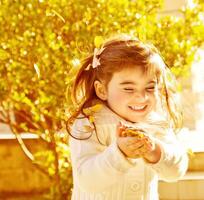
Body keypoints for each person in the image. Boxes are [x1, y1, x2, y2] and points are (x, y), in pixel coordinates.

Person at [67, 35, 188, 200]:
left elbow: (176, 170)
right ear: (102, 90)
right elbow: (87, 180)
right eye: (129, 89)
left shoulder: (155, 121)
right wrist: (119, 153)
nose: (141, 97)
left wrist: (155, 151)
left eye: (150, 87)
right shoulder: (89, 123)